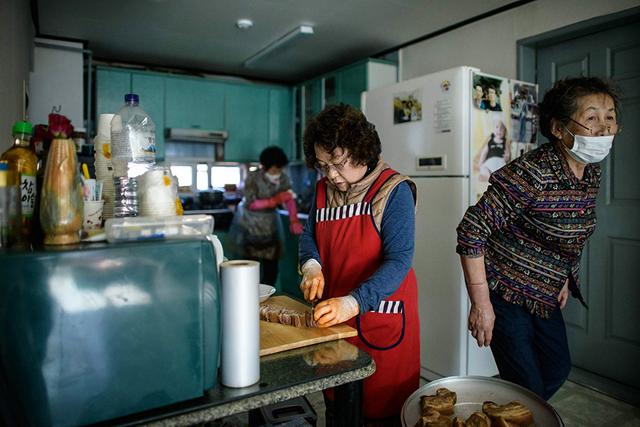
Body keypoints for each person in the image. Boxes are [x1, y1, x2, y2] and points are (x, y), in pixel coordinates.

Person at [456, 77, 620, 400]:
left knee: (556, 367)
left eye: (610, 117)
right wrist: (481, 304)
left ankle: (511, 411)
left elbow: (572, 229)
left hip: (544, 292)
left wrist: (562, 278)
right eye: (591, 118)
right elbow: (472, 229)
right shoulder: (534, 172)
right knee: (527, 389)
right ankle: (520, 411)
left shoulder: (590, 172)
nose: (604, 129)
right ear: (559, 128)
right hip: (505, 291)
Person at [298, 104, 420, 425]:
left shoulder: (394, 191)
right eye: (323, 165)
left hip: (380, 318)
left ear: (362, 151)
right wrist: (311, 264)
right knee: (339, 409)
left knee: (379, 414)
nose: (331, 175)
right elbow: (309, 233)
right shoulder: (324, 189)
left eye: (338, 164)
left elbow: (399, 262)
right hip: (335, 321)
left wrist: (354, 303)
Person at [229, 146, 303, 286]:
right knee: (251, 268)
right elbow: (250, 204)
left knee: (271, 269)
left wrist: (294, 218)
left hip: (270, 228)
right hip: (251, 227)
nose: (277, 173)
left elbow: (288, 198)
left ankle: (269, 298)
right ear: (264, 166)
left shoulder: (283, 179)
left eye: (279, 169)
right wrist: (273, 201)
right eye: (274, 170)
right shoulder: (253, 178)